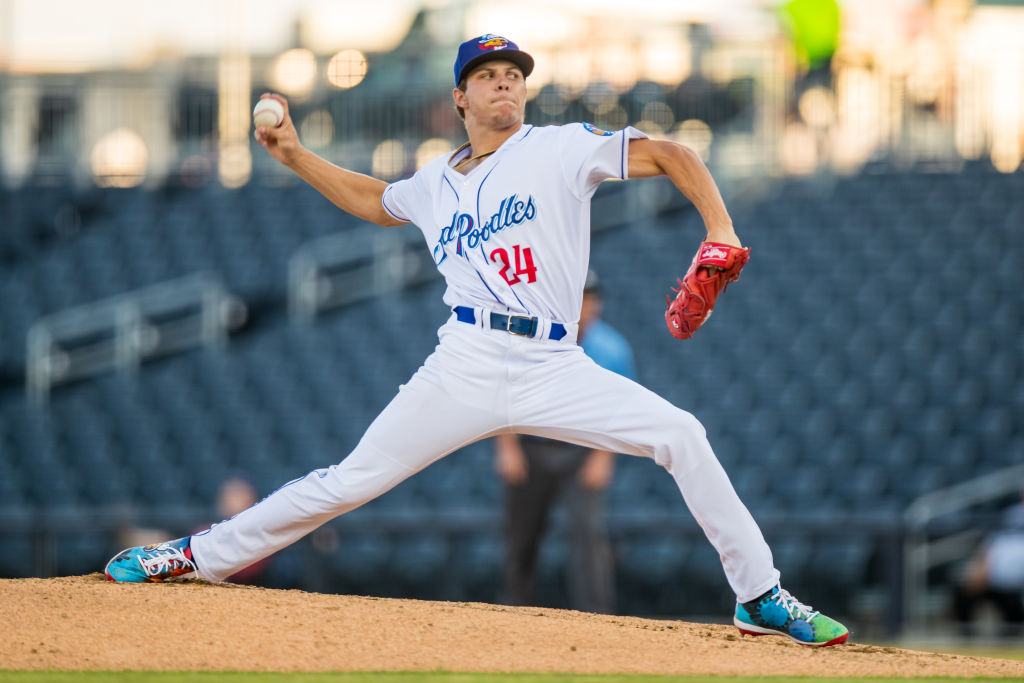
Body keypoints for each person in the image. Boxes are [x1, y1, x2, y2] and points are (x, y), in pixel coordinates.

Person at [104, 34, 849, 647]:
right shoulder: (435, 182)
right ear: (459, 97)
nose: (505, 86)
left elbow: (670, 154)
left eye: (513, 76)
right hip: (462, 360)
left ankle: (758, 593)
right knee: (347, 480)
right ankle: (195, 555)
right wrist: (296, 155)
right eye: (487, 77)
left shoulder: (560, 148)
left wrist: (720, 229)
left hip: (554, 362)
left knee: (681, 433)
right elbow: (374, 199)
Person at [497, 269, 634, 613]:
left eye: (592, 298)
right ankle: (515, 609)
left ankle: (596, 615)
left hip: (581, 451)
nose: (587, 305)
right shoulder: (535, 339)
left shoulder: (611, 348)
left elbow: (619, 410)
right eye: (581, 297)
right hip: (532, 446)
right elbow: (504, 393)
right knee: (522, 536)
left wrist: (603, 459)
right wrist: (507, 448)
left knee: (588, 534)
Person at [952, 489, 1024, 638]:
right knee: (964, 588)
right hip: (995, 579)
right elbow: (993, 542)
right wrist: (980, 565)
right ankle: (967, 637)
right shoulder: (1012, 514)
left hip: (1018, 583)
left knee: (1013, 614)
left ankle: (1010, 636)